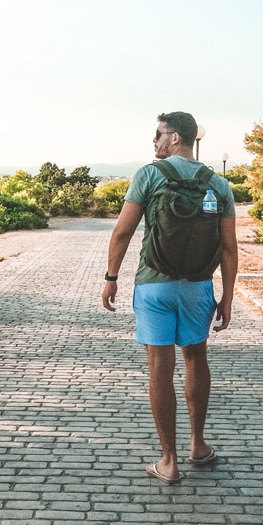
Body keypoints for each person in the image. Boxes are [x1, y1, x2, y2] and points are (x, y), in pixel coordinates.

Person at [101, 111, 238, 484]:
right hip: (198, 286)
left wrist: (112, 277)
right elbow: (228, 248)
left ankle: (169, 461)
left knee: (160, 368)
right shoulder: (219, 185)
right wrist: (226, 296)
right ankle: (198, 444)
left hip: (154, 285)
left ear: (176, 137)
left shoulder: (148, 174)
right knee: (196, 359)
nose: (154, 141)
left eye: (159, 134)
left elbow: (122, 233)